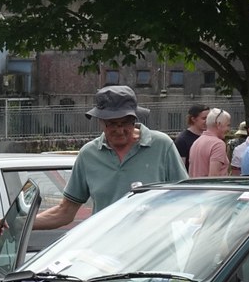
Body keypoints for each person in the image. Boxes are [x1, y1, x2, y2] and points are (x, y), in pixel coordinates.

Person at [32, 85, 187, 230]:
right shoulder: (89, 154)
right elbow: (65, 212)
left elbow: (185, 198)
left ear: (135, 119)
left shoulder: (161, 146)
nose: (119, 130)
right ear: (101, 121)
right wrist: (19, 226)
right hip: (104, 250)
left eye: (126, 123)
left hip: (153, 251)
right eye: (112, 124)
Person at [188, 108, 231, 177]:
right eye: (228, 125)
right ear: (218, 124)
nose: (229, 129)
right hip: (211, 187)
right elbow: (213, 177)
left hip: (195, 187)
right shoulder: (218, 144)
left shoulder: (196, 142)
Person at [174, 103, 210, 170]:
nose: (207, 121)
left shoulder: (210, 137)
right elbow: (180, 168)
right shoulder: (182, 140)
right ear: (193, 119)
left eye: (209, 118)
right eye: (204, 118)